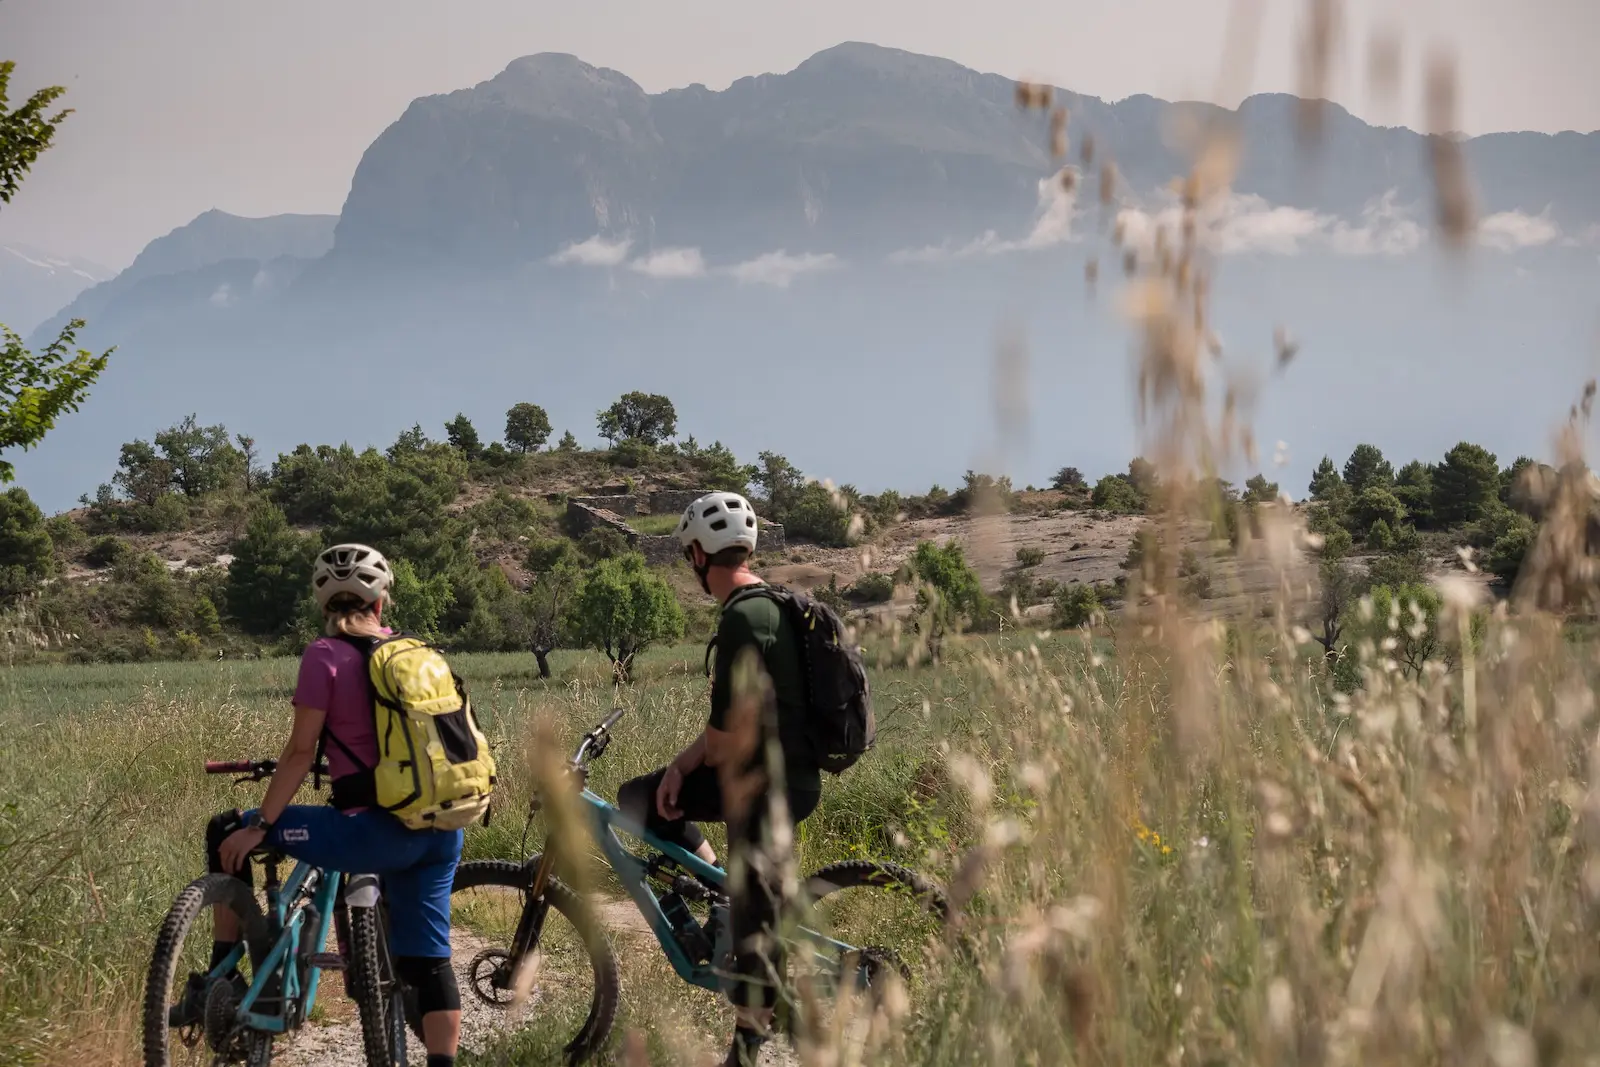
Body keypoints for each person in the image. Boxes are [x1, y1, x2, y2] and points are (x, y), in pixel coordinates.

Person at [171, 543, 464, 1067]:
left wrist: (261, 822)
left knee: (224, 830)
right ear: (382, 601)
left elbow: (301, 751)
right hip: (439, 831)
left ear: (322, 602)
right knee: (429, 964)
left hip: (368, 834)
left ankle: (224, 973)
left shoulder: (324, 656)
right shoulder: (417, 655)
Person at [616, 491, 823, 1067]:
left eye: (689, 556)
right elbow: (726, 730)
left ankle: (745, 1052)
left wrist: (692, 766)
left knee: (758, 933)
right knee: (644, 797)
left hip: (762, 789)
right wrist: (680, 768)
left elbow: (728, 738)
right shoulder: (772, 604)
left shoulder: (741, 619)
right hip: (788, 780)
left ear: (700, 556)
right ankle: (721, 901)